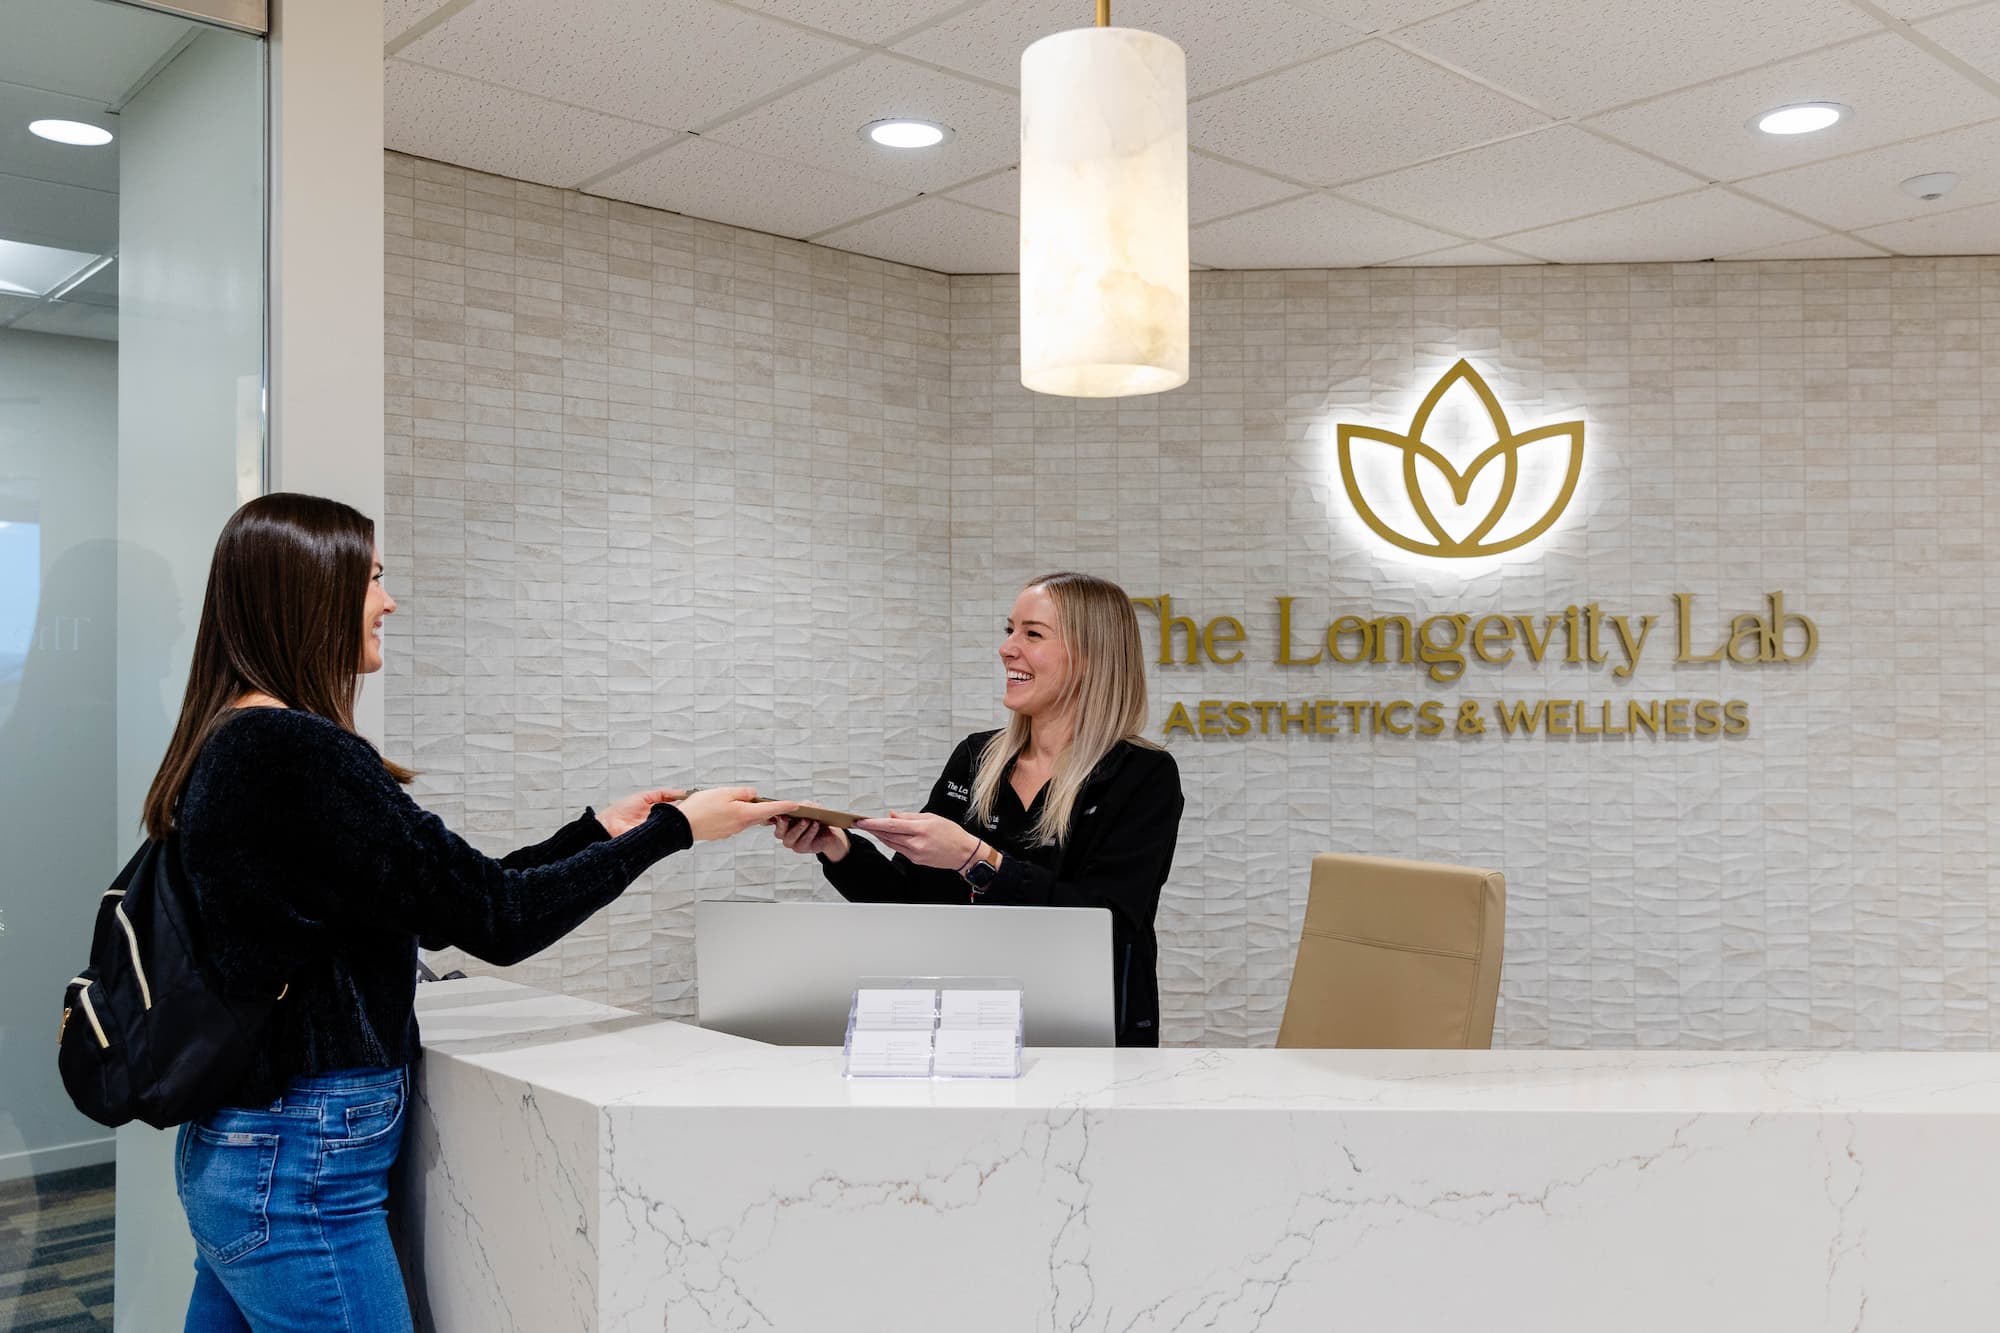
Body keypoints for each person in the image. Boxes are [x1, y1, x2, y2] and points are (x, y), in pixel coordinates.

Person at [151, 493, 788, 1332]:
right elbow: (500, 919)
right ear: (311, 591)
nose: (389, 600)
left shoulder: (233, 739)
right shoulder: (297, 750)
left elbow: (446, 903)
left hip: (245, 1151)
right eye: (373, 578)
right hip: (300, 1166)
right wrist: (674, 831)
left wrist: (597, 831)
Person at [773, 571, 1183, 1047]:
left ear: (1092, 658)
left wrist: (977, 861)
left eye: (1032, 634)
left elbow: (1105, 920)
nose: (1007, 648)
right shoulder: (976, 759)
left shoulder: (1143, 774)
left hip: (1089, 1035)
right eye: (1009, 630)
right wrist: (840, 848)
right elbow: (911, 902)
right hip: (967, 1031)